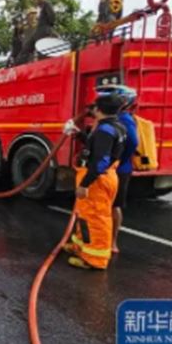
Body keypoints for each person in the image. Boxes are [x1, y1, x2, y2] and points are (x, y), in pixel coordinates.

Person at [63, 94, 125, 270]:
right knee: (84, 214)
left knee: (96, 218)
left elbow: (101, 161)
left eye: (94, 107)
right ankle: (80, 247)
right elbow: (95, 147)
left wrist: (85, 184)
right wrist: (77, 133)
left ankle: (95, 259)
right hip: (100, 176)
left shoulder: (105, 130)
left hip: (97, 178)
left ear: (99, 110)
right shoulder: (114, 126)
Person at [96, 85, 138, 254]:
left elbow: (133, 143)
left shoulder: (124, 120)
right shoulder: (111, 120)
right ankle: (100, 240)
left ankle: (112, 242)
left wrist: (118, 158)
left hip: (118, 170)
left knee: (113, 206)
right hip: (111, 169)